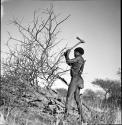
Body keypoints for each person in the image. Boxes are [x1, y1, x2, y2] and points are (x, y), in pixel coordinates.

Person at [64, 46, 86, 123]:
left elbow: (69, 61)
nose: (74, 53)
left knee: (68, 97)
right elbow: (69, 63)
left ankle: (65, 118)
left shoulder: (79, 58)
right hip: (79, 79)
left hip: (75, 79)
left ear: (78, 52)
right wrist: (65, 55)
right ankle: (83, 119)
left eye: (74, 52)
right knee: (77, 99)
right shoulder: (81, 59)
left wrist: (67, 54)